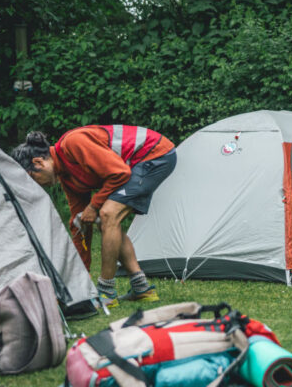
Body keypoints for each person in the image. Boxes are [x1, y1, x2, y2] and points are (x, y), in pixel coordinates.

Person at [12, 124, 177, 308]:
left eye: (33, 179)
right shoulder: (67, 178)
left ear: (38, 163)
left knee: (107, 214)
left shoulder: (73, 144)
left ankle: (106, 292)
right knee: (105, 221)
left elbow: (119, 173)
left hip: (155, 154)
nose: (38, 185)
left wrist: (93, 206)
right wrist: (82, 277)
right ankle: (142, 288)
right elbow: (79, 225)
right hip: (138, 162)